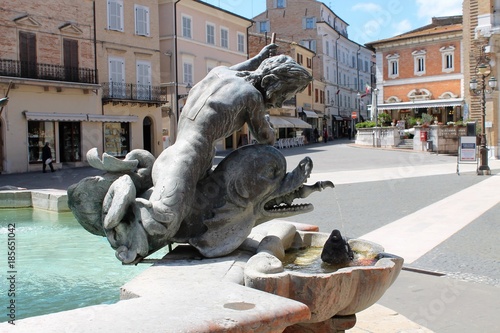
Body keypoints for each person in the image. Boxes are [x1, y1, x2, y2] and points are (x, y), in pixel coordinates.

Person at [116, 44, 313, 243]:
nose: (279, 103)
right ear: (270, 81)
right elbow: (266, 139)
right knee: (162, 222)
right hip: (188, 161)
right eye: (283, 95)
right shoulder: (252, 97)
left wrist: (258, 58)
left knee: (179, 216)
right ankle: (120, 208)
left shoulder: (219, 73)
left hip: (175, 155)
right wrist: (267, 123)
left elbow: (244, 67)